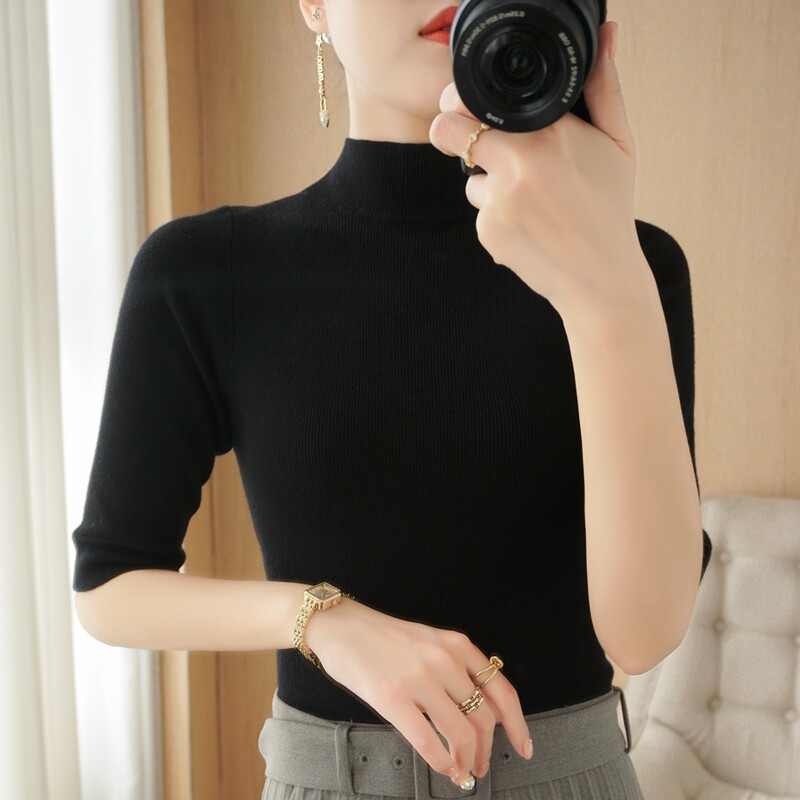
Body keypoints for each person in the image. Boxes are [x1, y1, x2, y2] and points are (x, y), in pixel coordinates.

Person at [72, 1, 713, 798]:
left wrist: (608, 287)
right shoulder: (207, 272)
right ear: (315, 5)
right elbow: (109, 588)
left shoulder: (636, 264)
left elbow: (644, 636)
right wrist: (321, 619)